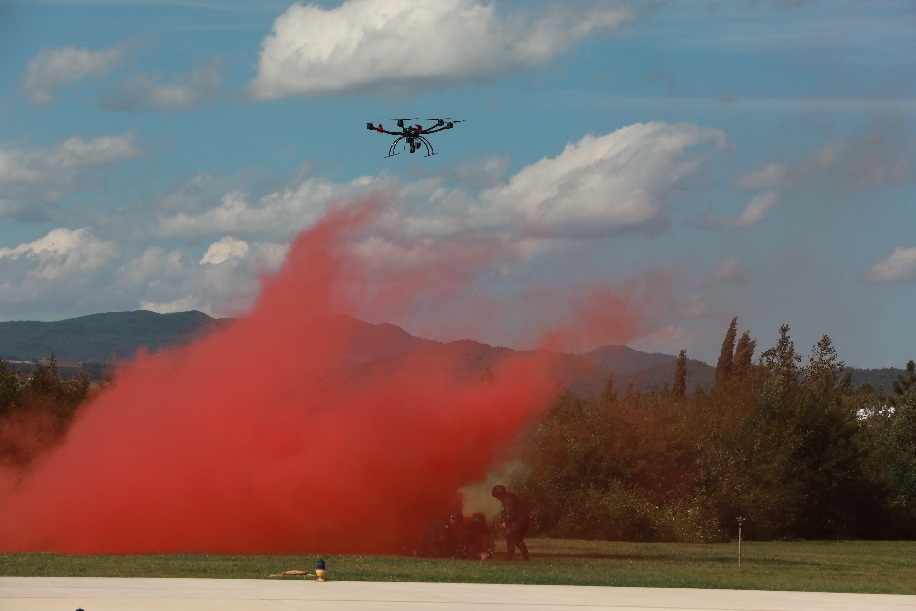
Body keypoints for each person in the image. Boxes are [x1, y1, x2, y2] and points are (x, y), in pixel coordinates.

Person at [492, 484, 529, 561]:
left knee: (510, 538)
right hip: (525, 520)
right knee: (517, 539)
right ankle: (526, 556)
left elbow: (512, 514)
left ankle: (509, 557)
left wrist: (506, 523)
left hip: (521, 520)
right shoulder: (511, 496)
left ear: (500, 494)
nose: (498, 498)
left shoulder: (507, 500)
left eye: (497, 496)